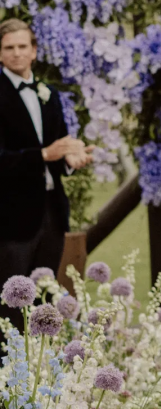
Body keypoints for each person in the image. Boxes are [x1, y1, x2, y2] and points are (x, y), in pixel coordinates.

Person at [0, 18, 92, 292]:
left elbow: (58, 147)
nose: (16, 53)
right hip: (11, 217)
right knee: (12, 303)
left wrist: (72, 160)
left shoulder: (48, 94)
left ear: (34, 50)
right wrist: (42, 155)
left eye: (22, 46)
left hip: (52, 211)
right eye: (8, 47)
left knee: (45, 298)